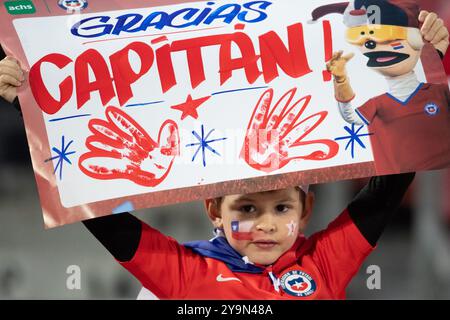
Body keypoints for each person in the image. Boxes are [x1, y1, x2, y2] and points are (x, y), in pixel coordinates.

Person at [1, 7, 446, 298]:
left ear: (307, 208)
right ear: (213, 208)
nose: (266, 225)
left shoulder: (323, 264)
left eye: (282, 207)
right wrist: (32, 109)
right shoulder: (185, 278)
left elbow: (390, 184)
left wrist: (431, 61)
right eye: (247, 208)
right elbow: (101, 215)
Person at [312, 1, 450, 175]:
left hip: (433, 185)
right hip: (379, 184)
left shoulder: (437, 90)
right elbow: (350, 116)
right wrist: (340, 81)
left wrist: (434, 53)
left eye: (391, 39)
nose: (377, 46)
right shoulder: (378, 102)